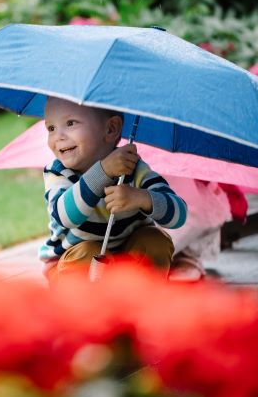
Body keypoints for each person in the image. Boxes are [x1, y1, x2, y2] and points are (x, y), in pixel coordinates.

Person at [39, 97, 187, 284]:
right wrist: (103, 171)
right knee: (88, 252)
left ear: (111, 129)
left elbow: (179, 215)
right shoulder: (58, 172)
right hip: (71, 266)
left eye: (70, 123)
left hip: (125, 264)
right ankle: (82, 309)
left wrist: (142, 198)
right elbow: (65, 216)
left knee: (155, 241)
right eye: (51, 128)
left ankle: (141, 301)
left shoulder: (132, 168)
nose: (58, 136)